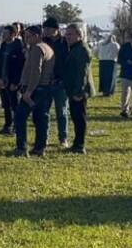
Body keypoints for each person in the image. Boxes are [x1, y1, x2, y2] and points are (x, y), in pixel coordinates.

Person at [14, 25, 56, 157]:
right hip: (45, 89)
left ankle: (21, 148)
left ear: (37, 36)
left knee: (20, 117)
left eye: (28, 36)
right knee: (40, 118)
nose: (26, 39)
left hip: (35, 89)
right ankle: (40, 147)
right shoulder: (48, 48)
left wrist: (29, 91)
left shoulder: (37, 49)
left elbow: (36, 71)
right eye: (25, 36)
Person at [63, 24, 91, 154]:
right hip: (73, 89)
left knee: (79, 118)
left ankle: (80, 145)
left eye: (70, 34)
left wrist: (78, 91)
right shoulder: (74, 48)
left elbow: (82, 72)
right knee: (76, 117)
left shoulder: (80, 49)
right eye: (67, 34)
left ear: (79, 35)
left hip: (78, 91)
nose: (67, 36)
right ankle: (77, 143)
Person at [42, 17, 70, 148]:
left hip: (61, 83)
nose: (45, 31)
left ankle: (63, 138)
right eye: (44, 29)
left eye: (48, 29)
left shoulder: (65, 43)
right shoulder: (43, 43)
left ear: (56, 30)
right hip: (46, 82)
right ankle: (44, 137)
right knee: (44, 111)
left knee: (62, 112)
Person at [0, 24, 25, 135]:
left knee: (15, 105)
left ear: (13, 34)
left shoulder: (18, 47)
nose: (3, 35)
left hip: (13, 82)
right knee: (6, 105)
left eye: (5, 33)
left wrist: (16, 82)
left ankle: (17, 127)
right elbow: (0, 63)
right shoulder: (3, 45)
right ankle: (7, 126)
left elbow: (20, 67)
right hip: (3, 80)